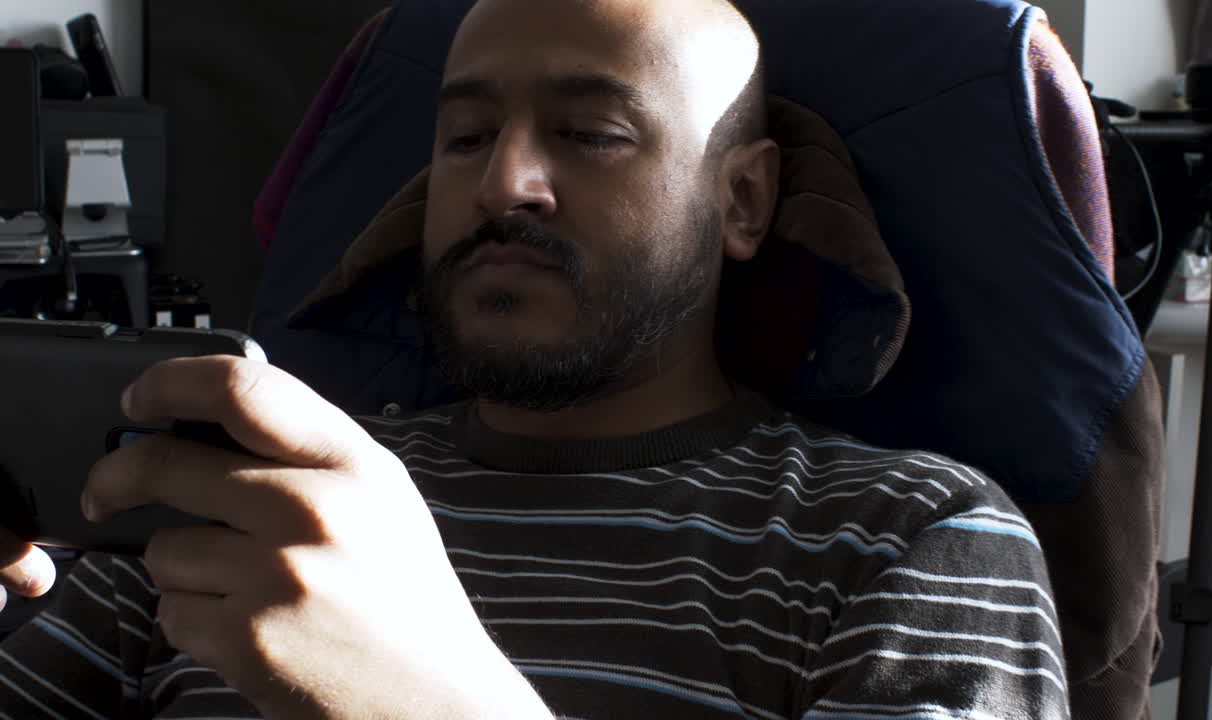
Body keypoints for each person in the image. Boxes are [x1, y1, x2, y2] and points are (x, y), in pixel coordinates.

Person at [0, 0, 1070, 717]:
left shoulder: (908, 539)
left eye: (590, 132)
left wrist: (437, 699)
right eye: (463, 140)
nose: (502, 182)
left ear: (741, 197)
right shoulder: (240, 487)